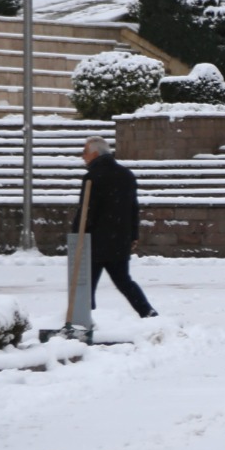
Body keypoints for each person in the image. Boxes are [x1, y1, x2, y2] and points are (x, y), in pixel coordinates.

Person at [76, 136, 157, 318]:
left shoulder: (92, 177)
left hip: (95, 241)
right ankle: (148, 313)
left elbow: (86, 212)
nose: (83, 157)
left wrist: (77, 235)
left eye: (84, 152)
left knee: (85, 285)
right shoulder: (125, 175)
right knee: (124, 281)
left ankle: (82, 320)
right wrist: (133, 235)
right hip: (119, 240)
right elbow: (133, 208)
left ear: (94, 154)